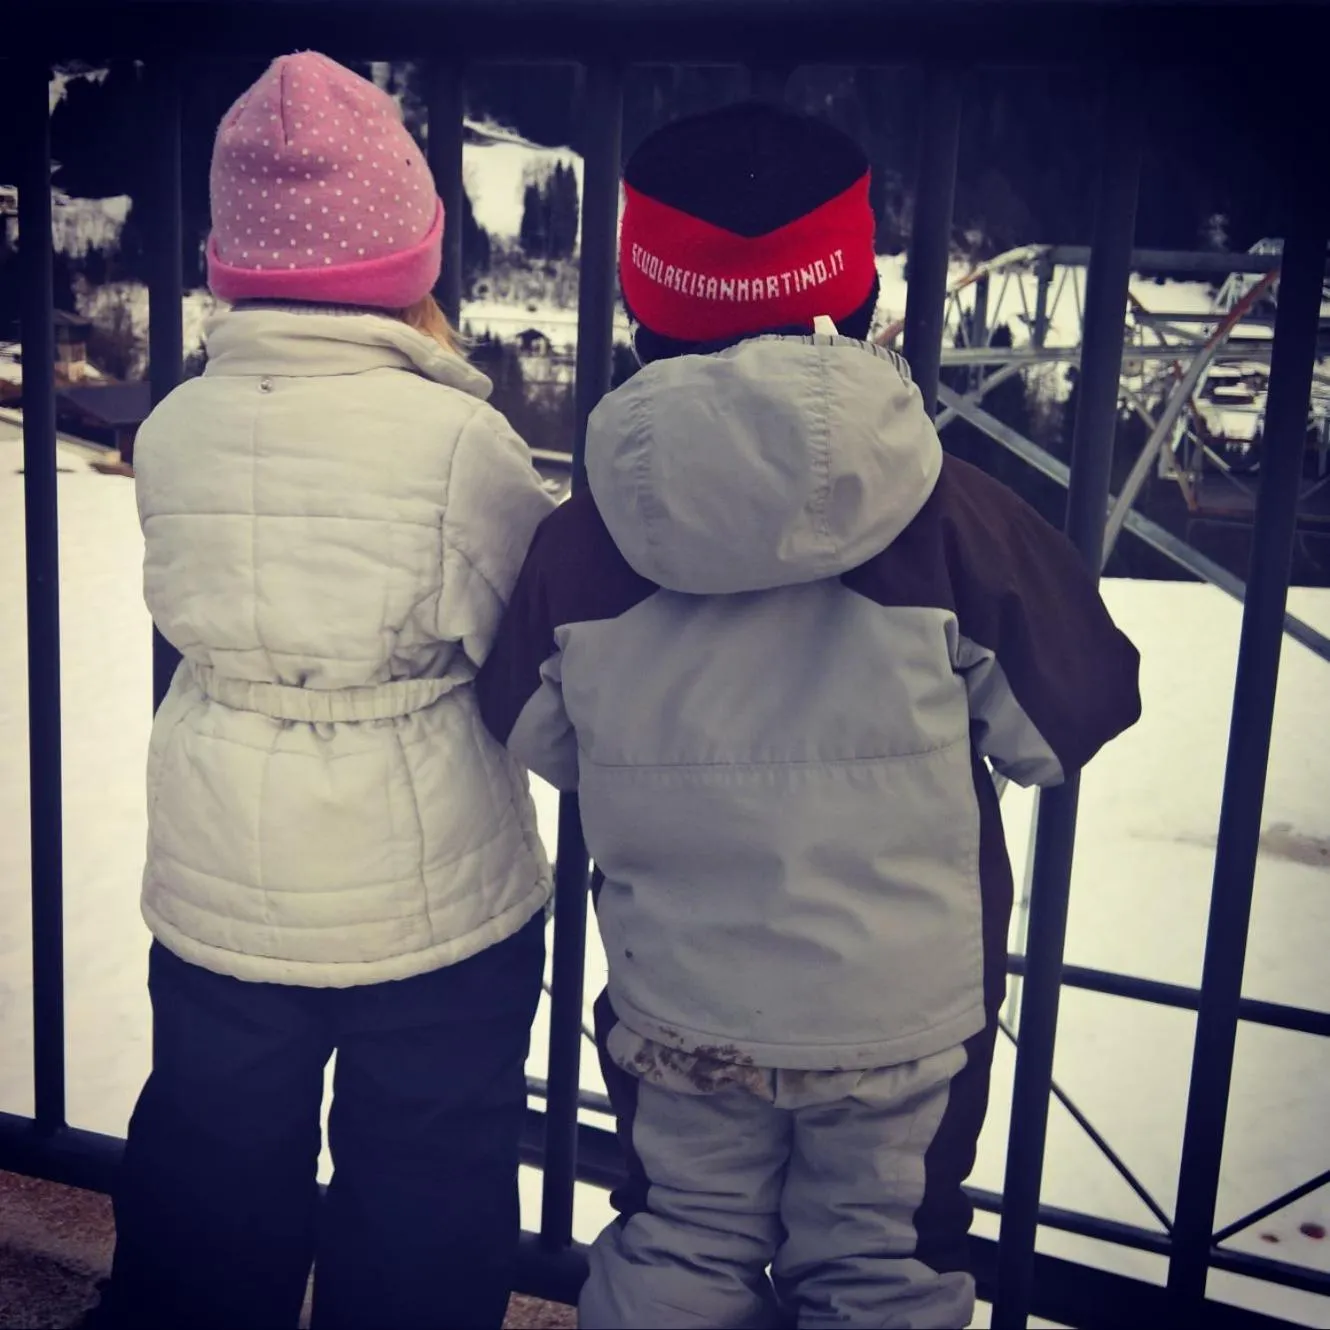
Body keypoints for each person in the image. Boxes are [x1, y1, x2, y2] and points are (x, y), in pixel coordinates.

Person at [476, 101, 1142, 1330]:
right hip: (902, 1018)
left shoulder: (583, 541)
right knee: (882, 1272)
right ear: (845, 285)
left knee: (678, 1240)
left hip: (683, 1007)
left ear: (641, 298)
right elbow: (1074, 713)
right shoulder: (951, 518)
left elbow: (534, 728)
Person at [101, 51, 554, 1330]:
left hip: (221, 878)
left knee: (209, 1153)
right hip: (433, 898)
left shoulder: (180, 423)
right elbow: (515, 633)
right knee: (426, 1171)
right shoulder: (460, 442)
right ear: (413, 256)